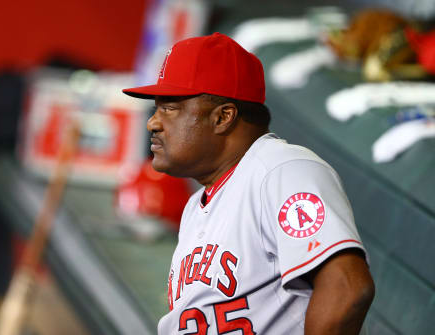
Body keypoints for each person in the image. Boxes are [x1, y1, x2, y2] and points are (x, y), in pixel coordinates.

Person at [123, 32, 375, 335]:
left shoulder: (283, 169)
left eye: (170, 108)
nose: (153, 122)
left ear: (223, 117)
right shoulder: (199, 205)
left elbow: (347, 288)